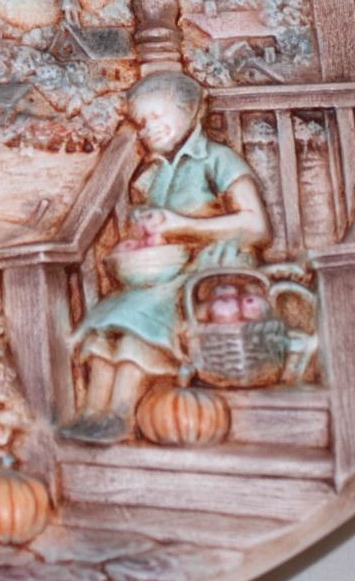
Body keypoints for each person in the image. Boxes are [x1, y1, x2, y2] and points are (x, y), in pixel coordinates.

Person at [59, 70, 271, 443]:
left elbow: (256, 227)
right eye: (142, 123)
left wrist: (182, 225)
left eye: (156, 117)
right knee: (108, 321)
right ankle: (92, 412)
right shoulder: (156, 172)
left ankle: (120, 414)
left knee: (137, 323)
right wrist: (147, 233)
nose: (147, 129)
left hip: (212, 272)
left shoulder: (217, 159)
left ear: (188, 110)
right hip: (167, 273)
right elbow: (158, 228)